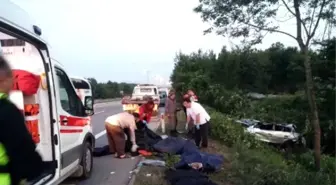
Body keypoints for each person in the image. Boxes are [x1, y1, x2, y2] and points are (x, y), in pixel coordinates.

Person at [0, 56, 46, 185]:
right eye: (12, 79)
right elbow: (23, 149)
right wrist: (37, 169)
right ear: (4, 79)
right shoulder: (6, 110)